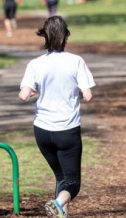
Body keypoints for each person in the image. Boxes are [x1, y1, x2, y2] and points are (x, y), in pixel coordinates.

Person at [19, 16, 95, 218]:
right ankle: (58, 202)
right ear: (66, 36)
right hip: (67, 130)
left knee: (61, 177)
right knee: (72, 184)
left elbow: (24, 95)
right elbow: (87, 95)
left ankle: (59, 213)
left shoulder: (35, 64)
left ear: (44, 35)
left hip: (42, 131)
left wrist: (35, 91)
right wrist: (77, 92)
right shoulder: (76, 61)